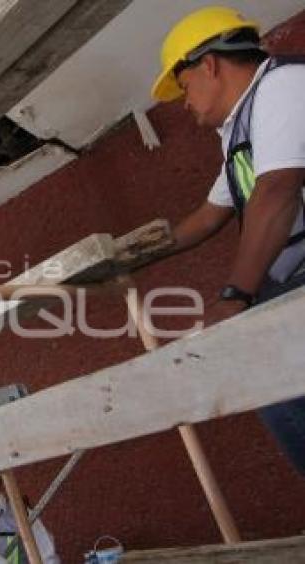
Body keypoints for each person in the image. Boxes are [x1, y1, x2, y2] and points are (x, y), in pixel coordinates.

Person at [151, 6, 305, 474]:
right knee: (267, 378)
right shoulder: (240, 128)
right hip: (292, 285)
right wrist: (122, 258)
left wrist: (235, 296)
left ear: (209, 65)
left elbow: (277, 191)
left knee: (257, 361)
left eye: (183, 87)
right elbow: (206, 218)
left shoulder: (282, 86)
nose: (184, 102)